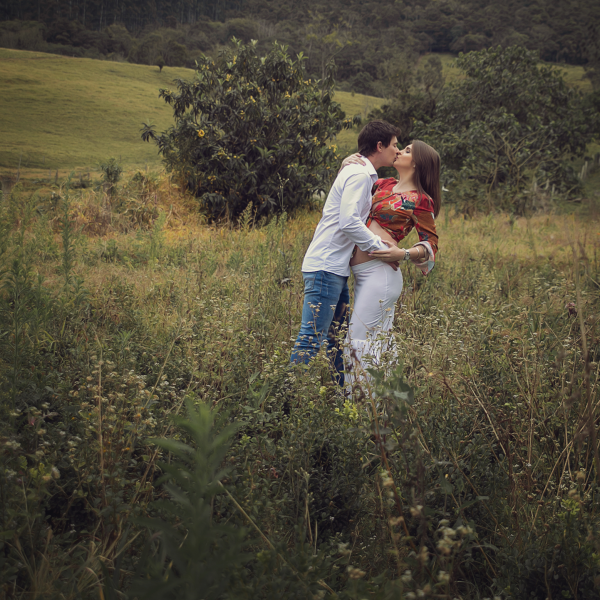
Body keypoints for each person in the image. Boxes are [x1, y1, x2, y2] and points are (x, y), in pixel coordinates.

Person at [290, 120, 402, 384]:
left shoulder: (360, 173)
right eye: (395, 145)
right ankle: (282, 404)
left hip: (334, 269)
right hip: (325, 268)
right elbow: (348, 221)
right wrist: (380, 247)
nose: (397, 151)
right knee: (312, 337)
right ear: (379, 146)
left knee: (336, 337)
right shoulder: (359, 175)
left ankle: (347, 395)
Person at [341, 140, 441, 386]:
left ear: (417, 163)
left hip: (381, 275)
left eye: (406, 150)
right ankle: (389, 405)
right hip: (362, 273)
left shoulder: (420, 199)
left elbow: (431, 244)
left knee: (357, 342)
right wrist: (347, 165)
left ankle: (359, 407)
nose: (398, 151)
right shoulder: (382, 184)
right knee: (378, 343)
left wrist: (404, 254)